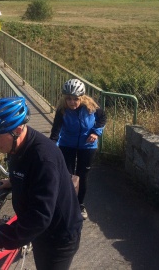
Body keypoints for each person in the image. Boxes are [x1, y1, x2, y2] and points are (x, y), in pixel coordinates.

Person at [0, 97, 82, 270]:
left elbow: (39, 216)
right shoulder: (17, 146)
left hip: (59, 235)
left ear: (18, 130)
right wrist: (13, 181)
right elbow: (27, 172)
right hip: (41, 231)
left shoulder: (43, 158)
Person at [49, 79, 107, 220]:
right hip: (67, 144)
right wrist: (50, 148)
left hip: (87, 146)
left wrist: (95, 132)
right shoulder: (62, 110)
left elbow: (103, 117)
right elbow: (55, 131)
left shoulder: (91, 107)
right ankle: (67, 204)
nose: (72, 102)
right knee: (67, 175)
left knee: (82, 175)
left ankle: (80, 204)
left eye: (75, 99)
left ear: (82, 97)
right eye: (68, 99)